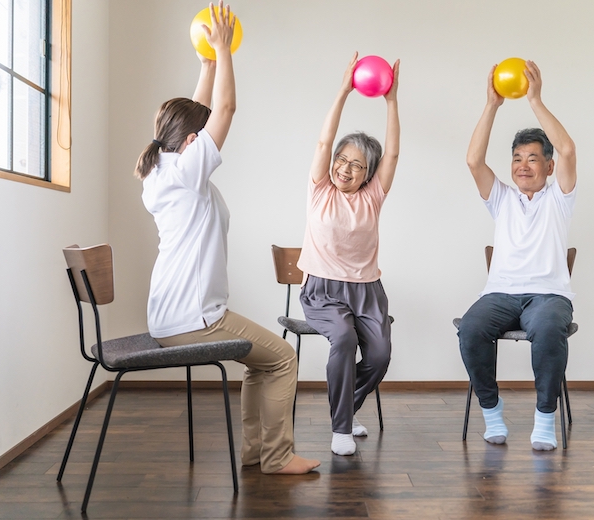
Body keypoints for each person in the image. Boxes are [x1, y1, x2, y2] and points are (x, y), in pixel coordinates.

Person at [134, 1, 319, 475]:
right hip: (195, 319)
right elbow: (226, 107)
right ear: (194, 141)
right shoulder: (188, 171)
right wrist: (224, 52)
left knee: (262, 363)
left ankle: (257, 453)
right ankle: (277, 457)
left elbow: (198, 116)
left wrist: (208, 63)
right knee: (281, 358)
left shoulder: (163, 167)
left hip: (169, 316)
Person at [459, 60, 577, 451]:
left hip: (548, 295)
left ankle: (545, 419)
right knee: (472, 327)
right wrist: (492, 104)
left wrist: (535, 99)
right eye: (516, 159)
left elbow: (568, 148)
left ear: (548, 165)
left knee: (546, 328)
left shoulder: (559, 198)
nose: (523, 166)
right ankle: (492, 412)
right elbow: (474, 161)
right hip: (501, 294)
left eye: (532, 159)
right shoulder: (502, 198)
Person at [297, 53, 400, 456]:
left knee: (379, 355)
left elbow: (391, 155)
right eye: (342, 160)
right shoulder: (320, 188)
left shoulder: (373, 197)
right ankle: (341, 426)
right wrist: (343, 91)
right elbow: (324, 140)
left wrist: (391, 101)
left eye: (356, 165)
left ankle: (345, 407)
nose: (344, 168)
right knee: (342, 336)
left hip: (368, 291)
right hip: (322, 290)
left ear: (368, 175)